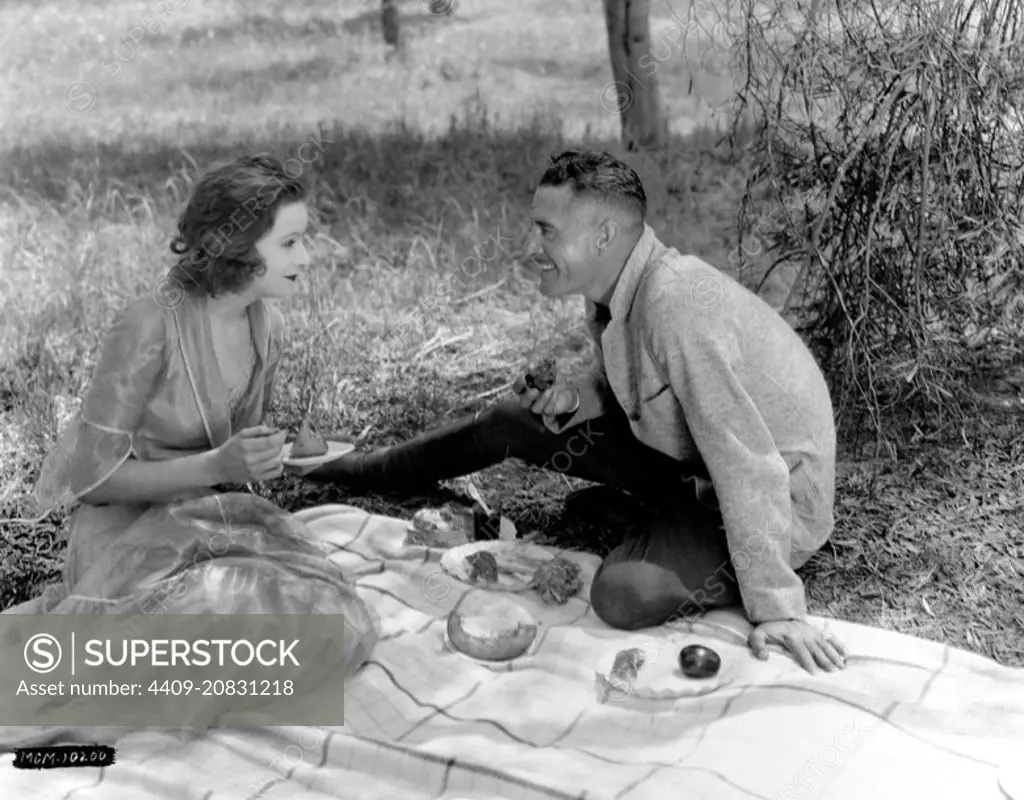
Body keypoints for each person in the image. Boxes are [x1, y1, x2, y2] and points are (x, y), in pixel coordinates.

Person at [298, 149, 846, 674]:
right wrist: (575, 397)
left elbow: (746, 460)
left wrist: (777, 608)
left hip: (768, 501)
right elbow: (628, 387)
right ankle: (368, 467)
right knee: (513, 421)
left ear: (603, 235)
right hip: (689, 461)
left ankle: (656, 529)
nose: (532, 244)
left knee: (623, 594)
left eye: (546, 231)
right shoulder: (616, 287)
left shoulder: (674, 305)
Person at [2, 155, 379, 727]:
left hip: (203, 520)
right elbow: (93, 482)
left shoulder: (264, 325)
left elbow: (230, 455)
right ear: (236, 247)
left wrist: (261, 456)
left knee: (319, 612)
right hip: (123, 532)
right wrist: (218, 463)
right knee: (209, 624)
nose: (307, 257)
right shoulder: (147, 325)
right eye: (291, 243)